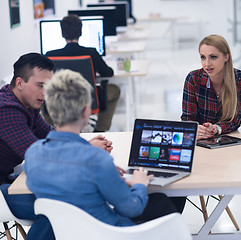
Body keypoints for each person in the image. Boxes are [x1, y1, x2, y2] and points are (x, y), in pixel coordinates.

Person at [24, 69, 178, 227]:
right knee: (160, 201)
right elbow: (132, 208)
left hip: (64, 233)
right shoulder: (97, 160)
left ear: (50, 110)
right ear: (86, 112)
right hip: (109, 233)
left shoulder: (32, 154)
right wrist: (139, 183)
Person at [0, 53, 112, 239]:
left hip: (9, 180)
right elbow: (41, 156)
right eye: (40, 86)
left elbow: (51, 135)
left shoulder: (27, 104)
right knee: (64, 205)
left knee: (62, 206)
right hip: (3, 190)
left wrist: (84, 145)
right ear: (19, 83)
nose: (46, 93)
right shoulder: (7, 110)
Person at [45, 14, 120, 132]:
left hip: (60, 99)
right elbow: (108, 72)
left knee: (43, 94)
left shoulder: (50, 55)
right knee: (115, 90)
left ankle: (54, 128)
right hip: (89, 99)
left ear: (62, 33)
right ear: (80, 32)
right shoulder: (91, 53)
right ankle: (100, 129)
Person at [181, 34, 241, 139]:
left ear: (226, 57)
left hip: (227, 139)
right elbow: (187, 118)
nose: (207, 64)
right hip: (199, 139)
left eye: (213, 57)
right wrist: (196, 129)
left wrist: (216, 128)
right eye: (203, 57)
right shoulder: (193, 79)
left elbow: (235, 121)